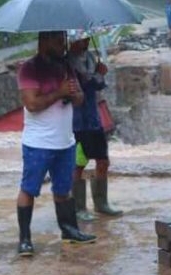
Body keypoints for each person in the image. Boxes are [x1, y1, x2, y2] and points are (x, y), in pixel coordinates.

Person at [15, 31, 96, 257]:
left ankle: (69, 230)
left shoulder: (66, 67)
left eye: (64, 40)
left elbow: (79, 98)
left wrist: (72, 94)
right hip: (38, 143)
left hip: (65, 141)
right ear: (44, 40)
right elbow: (31, 104)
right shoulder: (29, 69)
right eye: (59, 41)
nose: (64, 45)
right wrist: (58, 92)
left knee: (63, 189)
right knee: (29, 189)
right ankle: (25, 239)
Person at [67, 35, 123, 221]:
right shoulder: (67, 63)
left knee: (103, 160)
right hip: (76, 123)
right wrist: (97, 74)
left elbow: (98, 84)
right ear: (72, 41)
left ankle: (101, 203)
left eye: (87, 39)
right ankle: (79, 207)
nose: (86, 42)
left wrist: (101, 73)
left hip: (93, 119)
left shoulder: (91, 58)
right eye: (82, 40)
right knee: (78, 164)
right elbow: (81, 85)